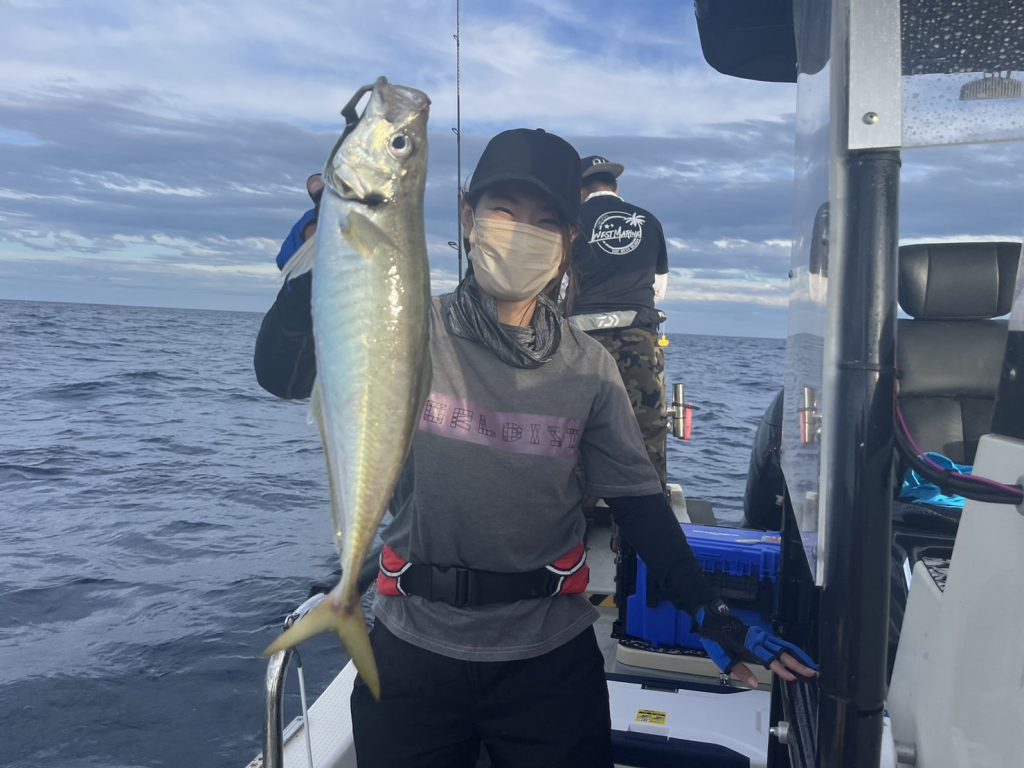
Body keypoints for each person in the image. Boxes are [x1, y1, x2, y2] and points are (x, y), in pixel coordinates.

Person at [254, 128, 815, 768]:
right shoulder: (405, 328)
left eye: (547, 222)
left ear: (569, 242)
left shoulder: (590, 368)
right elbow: (282, 376)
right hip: (412, 649)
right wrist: (319, 267)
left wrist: (707, 609)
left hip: (548, 661)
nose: (524, 232)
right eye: (504, 210)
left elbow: (638, 504)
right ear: (467, 216)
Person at [570, 155, 671, 487]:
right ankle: (648, 503)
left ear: (580, 190)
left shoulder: (571, 221)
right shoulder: (649, 221)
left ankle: (580, 508)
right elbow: (659, 288)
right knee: (646, 427)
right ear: (614, 186)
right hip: (638, 337)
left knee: (576, 425)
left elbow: (559, 284)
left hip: (581, 340)